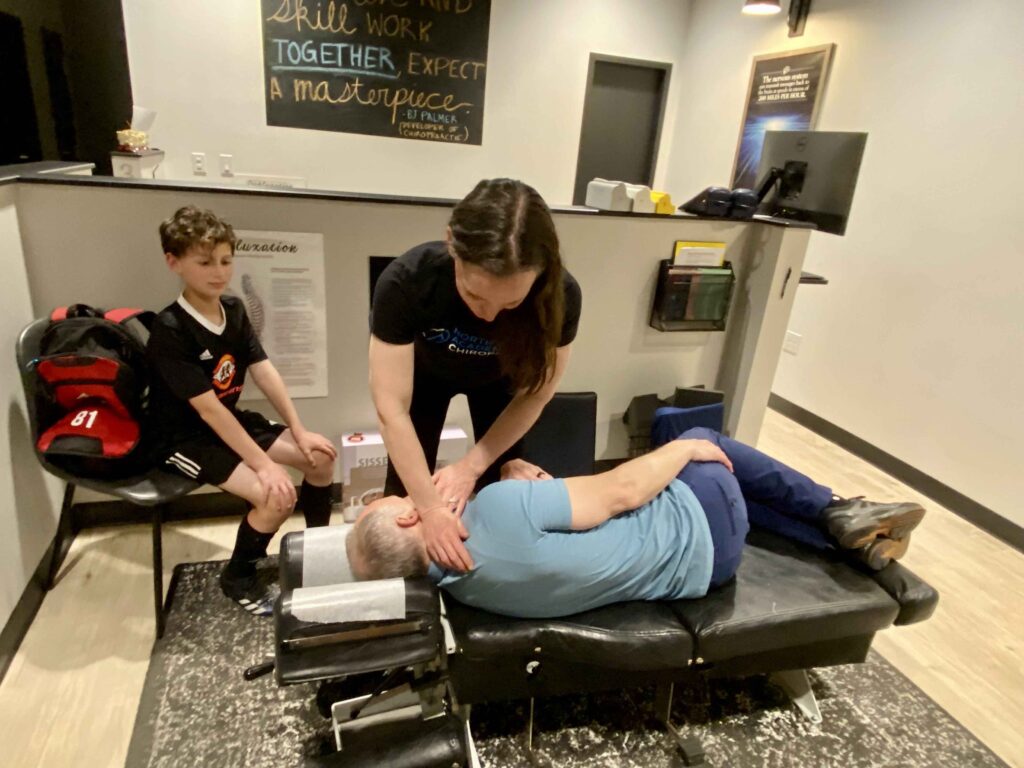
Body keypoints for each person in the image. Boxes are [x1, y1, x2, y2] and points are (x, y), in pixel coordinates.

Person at [345, 427, 925, 619]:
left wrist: (523, 484)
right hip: (696, 529)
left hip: (708, 571)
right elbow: (620, 493)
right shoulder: (492, 510)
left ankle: (847, 537)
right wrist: (680, 451)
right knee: (697, 439)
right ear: (404, 517)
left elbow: (551, 545)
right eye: (396, 500)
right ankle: (835, 508)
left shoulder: (465, 588)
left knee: (731, 491)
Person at [368, 178, 582, 574]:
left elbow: (536, 395)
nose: (489, 315)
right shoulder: (406, 282)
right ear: (451, 242)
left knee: (503, 492)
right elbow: (391, 409)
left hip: (501, 384)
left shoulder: (561, 295)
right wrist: (431, 508)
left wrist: (470, 468)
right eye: (475, 296)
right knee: (408, 504)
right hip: (424, 381)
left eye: (512, 303)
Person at [147, 206, 338, 616]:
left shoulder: (233, 309)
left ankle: (318, 550)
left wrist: (298, 429)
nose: (218, 272)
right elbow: (210, 412)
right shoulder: (170, 330)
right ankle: (238, 576)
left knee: (319, 459)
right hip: (185, 438)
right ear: (174, 262)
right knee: (276, 497)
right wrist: (264, 467)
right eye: (204, 262)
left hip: (228, 424)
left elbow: (264, 371)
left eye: (225, 260)